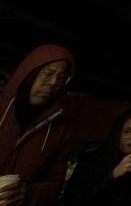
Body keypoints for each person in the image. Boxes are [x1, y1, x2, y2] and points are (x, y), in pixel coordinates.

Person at [0, 45, 76, 206]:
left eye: (62, 78)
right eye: (47, 74)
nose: (54, 82)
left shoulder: (61, 130)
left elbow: (56, 182)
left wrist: (29, 194)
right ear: (29, 73)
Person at [62, 107, 131, 205]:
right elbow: (74, 197)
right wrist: (113, 175)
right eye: (127, 131)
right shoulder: (92, 159)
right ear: (117, 131)